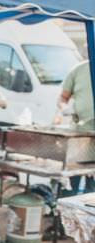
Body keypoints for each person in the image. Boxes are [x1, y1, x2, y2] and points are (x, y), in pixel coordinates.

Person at [58, 60, 95, 193]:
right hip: (79, 134)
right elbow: (63, 97)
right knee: (72, 181)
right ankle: (67, 210)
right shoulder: (78, 70)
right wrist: (65, 108)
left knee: (92, 188)